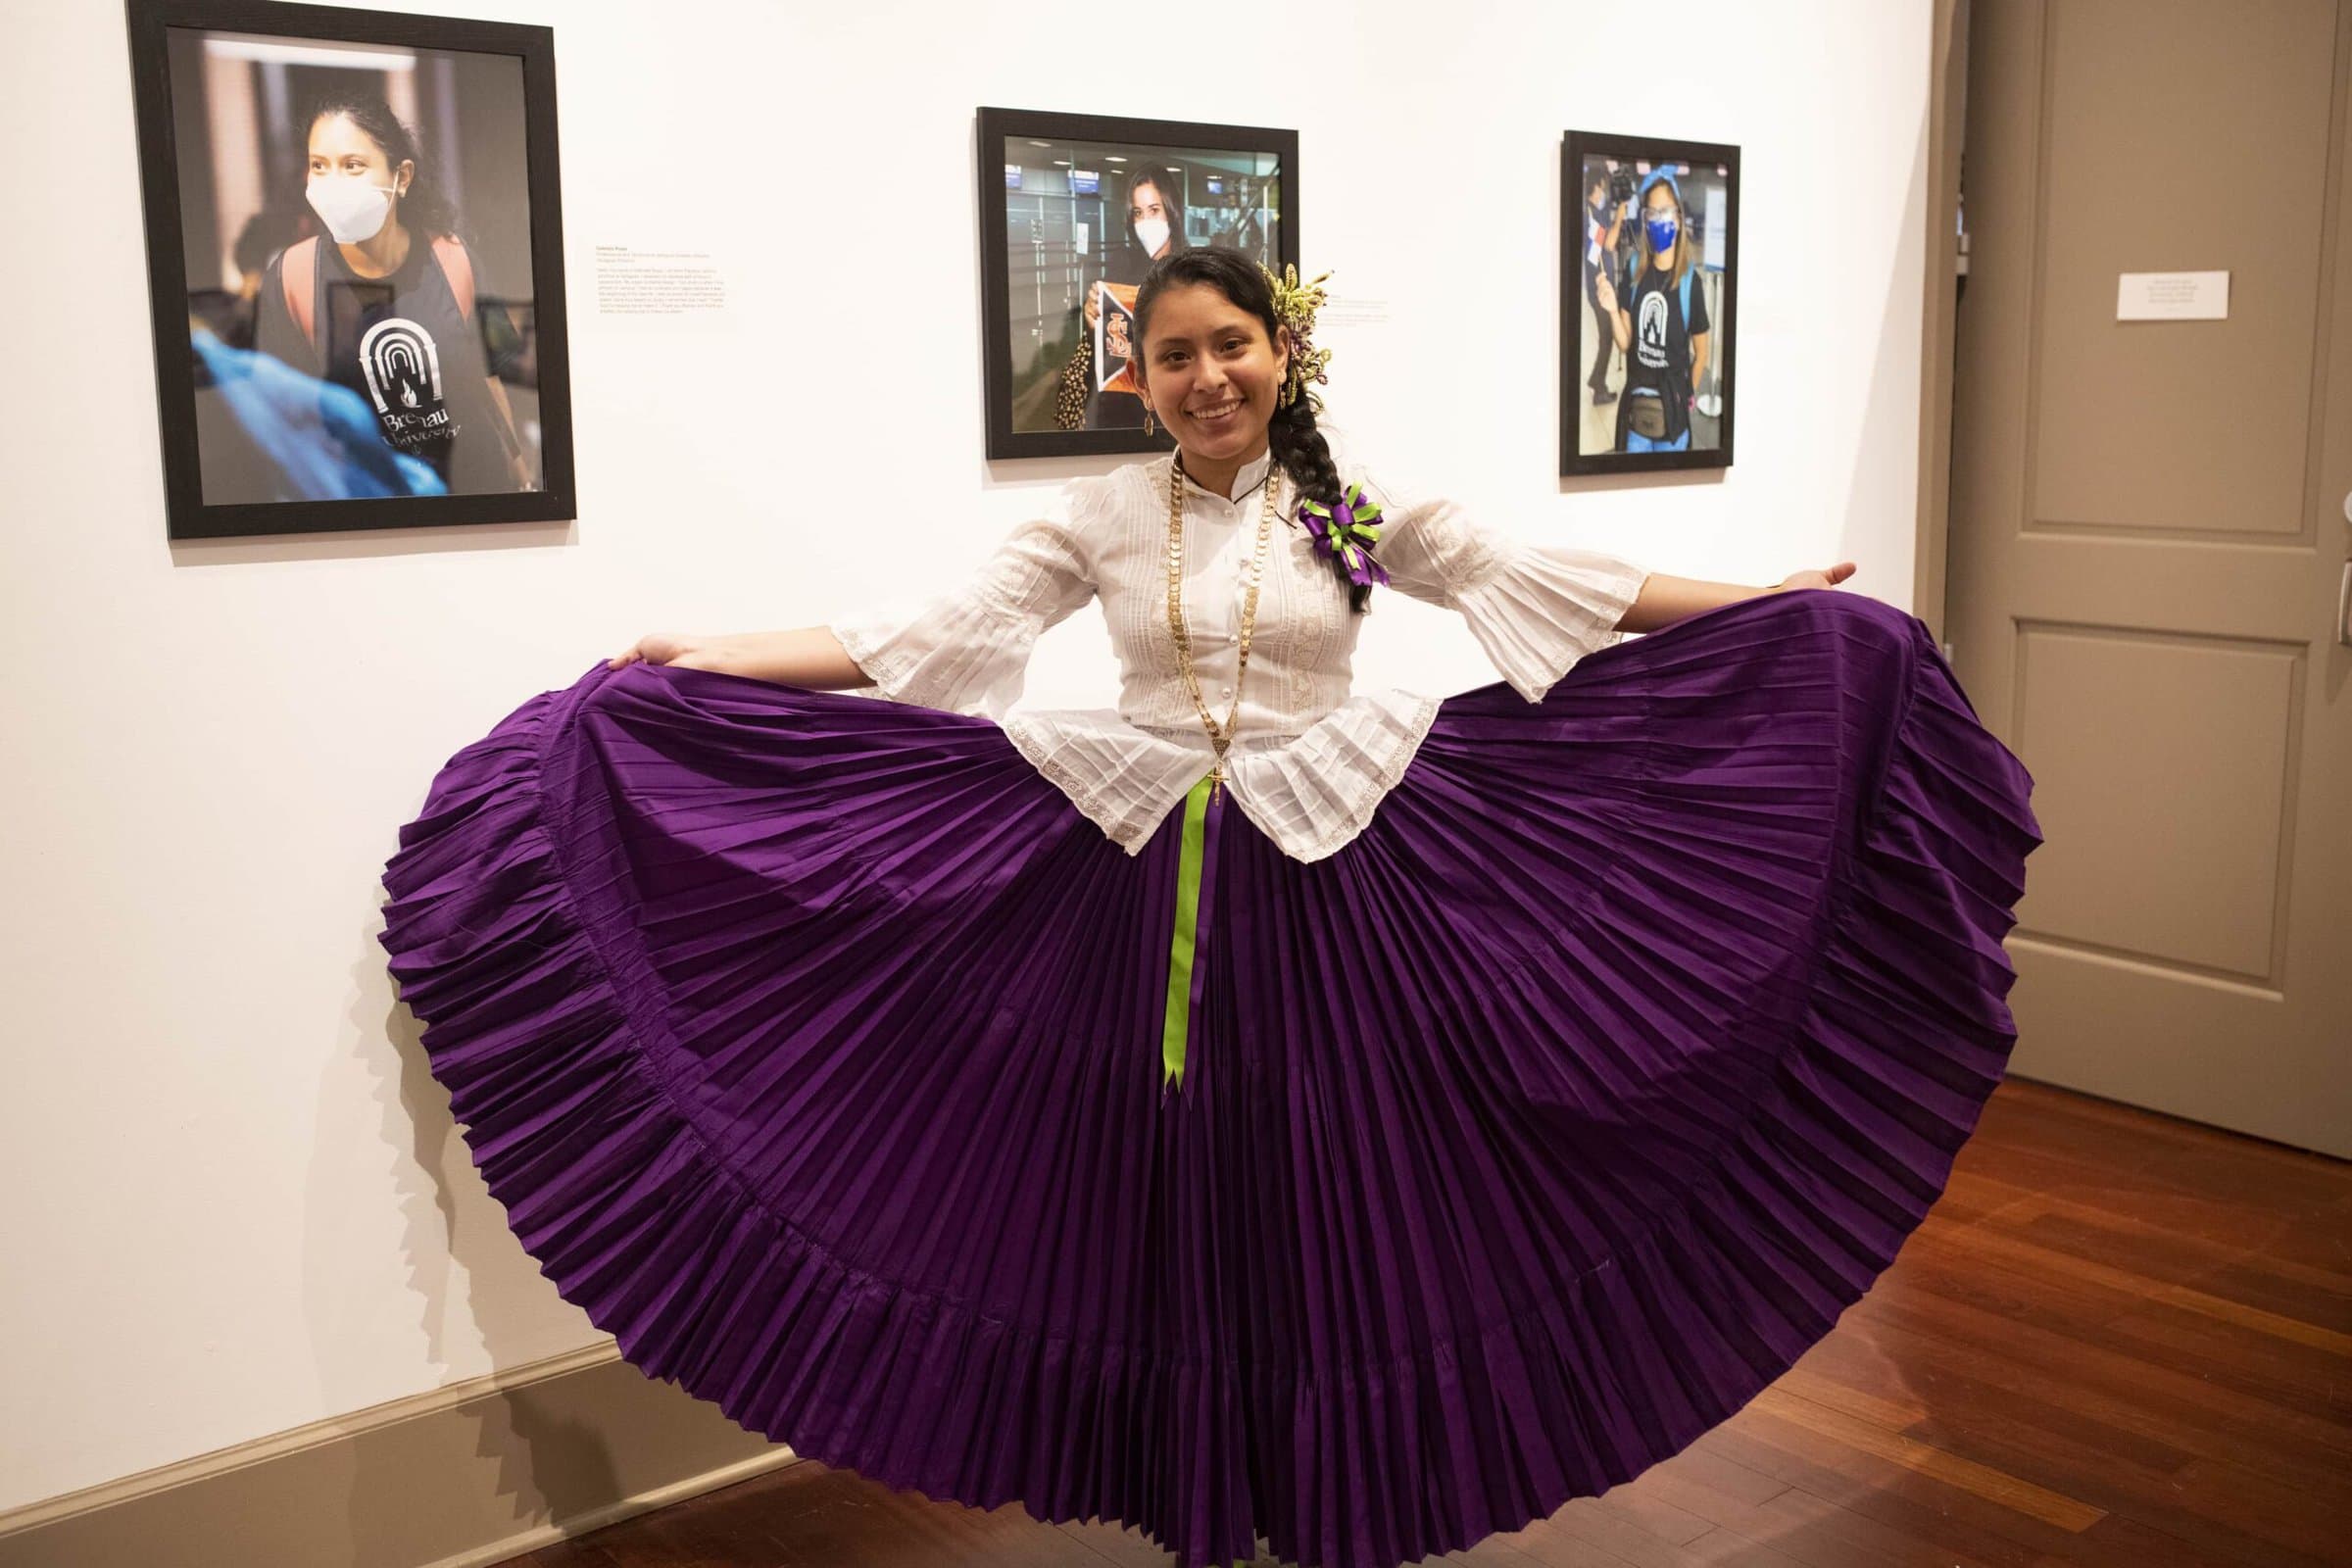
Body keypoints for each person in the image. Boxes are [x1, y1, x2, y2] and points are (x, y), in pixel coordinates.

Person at [378, 249, 2039, 1568]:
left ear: (1280, 354)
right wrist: (713, 661)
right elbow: (926, 639)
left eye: (1229, 346)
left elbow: (1562, 589)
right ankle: (1193, 1474)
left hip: (1339, 879)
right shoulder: (1099, 517)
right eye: (1171, 356)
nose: (1204, 378)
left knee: (1330, 1169)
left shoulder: (1354, 507)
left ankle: (1322, 1479)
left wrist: (1764, 603)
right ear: (1142, 375)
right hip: (1133, 877)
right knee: (1153, 1176)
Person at [252, 92, 537, 497]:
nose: (333, 183)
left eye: (353, 166)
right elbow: (286, 416)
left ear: (401, 177)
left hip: (475, 502)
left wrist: (520, 476)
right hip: (369, 515)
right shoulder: (291, 277)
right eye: (319, 166)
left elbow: (493, 380)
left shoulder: (456, 260)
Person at [1594, 166, 1711, 452]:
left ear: (1679, 219)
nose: (1658, 220)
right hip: (1637, 413)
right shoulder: (1635, 271)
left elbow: (1702, 354)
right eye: (1651, 213)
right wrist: (1611, 308)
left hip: (1673, 420)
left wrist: (1686, 396)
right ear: (1644, 220)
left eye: (1666, 211)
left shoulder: (1689, 284)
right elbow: (1625, 343)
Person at [1075, 166, 1191, 429]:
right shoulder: (1121, 265)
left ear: (1171, 212)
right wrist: (1093, 319)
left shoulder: (1192, 269)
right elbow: (1107, 345)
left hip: (1176, 405)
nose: (1146, 222)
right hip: (1121, 405)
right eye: (1138, 213)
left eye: (1154, 210)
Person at [1581, 170, 1625, 406]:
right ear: (1597, 187)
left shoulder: (1591, 213)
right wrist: (1619, 217)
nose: (1605, 191)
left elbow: (1598, 249)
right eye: (1604, 187)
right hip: (1601, 290)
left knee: (1606, 337)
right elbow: (1607, 244)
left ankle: (1597, 382)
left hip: (1597, 286)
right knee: (1607, 338)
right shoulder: (1594, 214)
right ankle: (1598, 386)